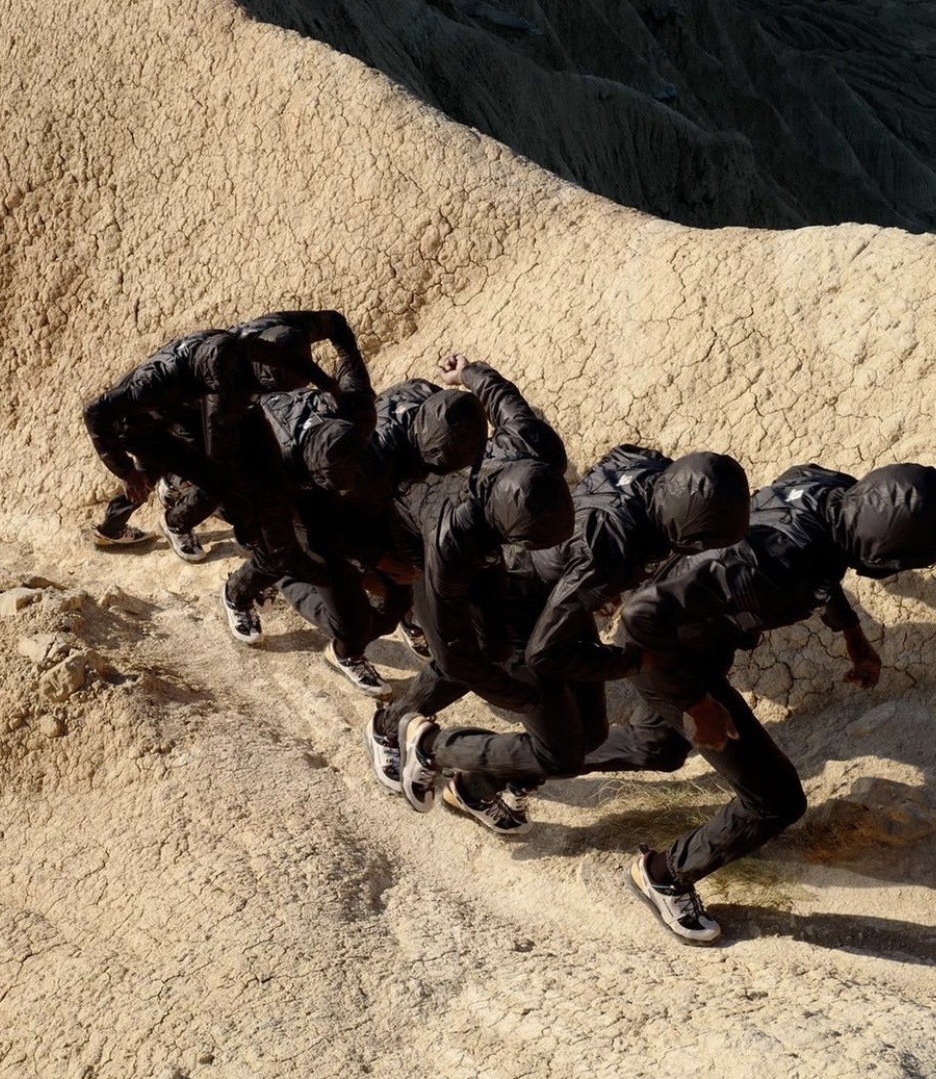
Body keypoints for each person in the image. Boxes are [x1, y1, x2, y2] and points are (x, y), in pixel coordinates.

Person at [587, 462, 936, 946]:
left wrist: (853, 635)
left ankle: (506, 767)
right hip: (670, 660)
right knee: (776, 799)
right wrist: (700, 706)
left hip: (701, 642)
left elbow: (824, 566)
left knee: (656, 748)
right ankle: (663, 874)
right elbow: (639, 620)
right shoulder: (769, 564)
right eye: (897, 562)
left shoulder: (835, 495)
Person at [391, 443, 751, 834]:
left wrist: (585, 575)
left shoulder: (654, 472)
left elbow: (610, 470)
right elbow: (545, 653)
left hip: (557, 595)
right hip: (521, 613)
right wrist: (632, 661)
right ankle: (431, 748)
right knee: (559, 755)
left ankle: (473, 788)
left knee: (592, 735)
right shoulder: (611, 549)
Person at [364, 355, 574, 830]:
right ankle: (388, 724)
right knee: (467, 646)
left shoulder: (536, 447)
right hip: (407, 514)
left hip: (443, 441)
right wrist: (512, 696)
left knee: (496, 641)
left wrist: (469, 373)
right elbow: (454, 652)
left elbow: (506, 402)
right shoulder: (451, 540)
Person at [219, 354, 490, 651]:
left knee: (393, 576)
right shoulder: (368, 468)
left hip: (318, 452)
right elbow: (324, 531)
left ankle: (401, 612)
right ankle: (243, 591)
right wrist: (377, 562)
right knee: (295, 556)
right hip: (290, 486)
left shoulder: (423, 399)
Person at [84, 310, 353, 561]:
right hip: (135, 425)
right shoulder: (154, 384)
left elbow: (322, 329)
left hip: (181, 406)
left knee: (165, 469)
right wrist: (124, 470)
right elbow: (95, 411)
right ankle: (175, 522)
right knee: (207, 476)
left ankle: (114, 525)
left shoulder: (258, 338)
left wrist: (327, 382)